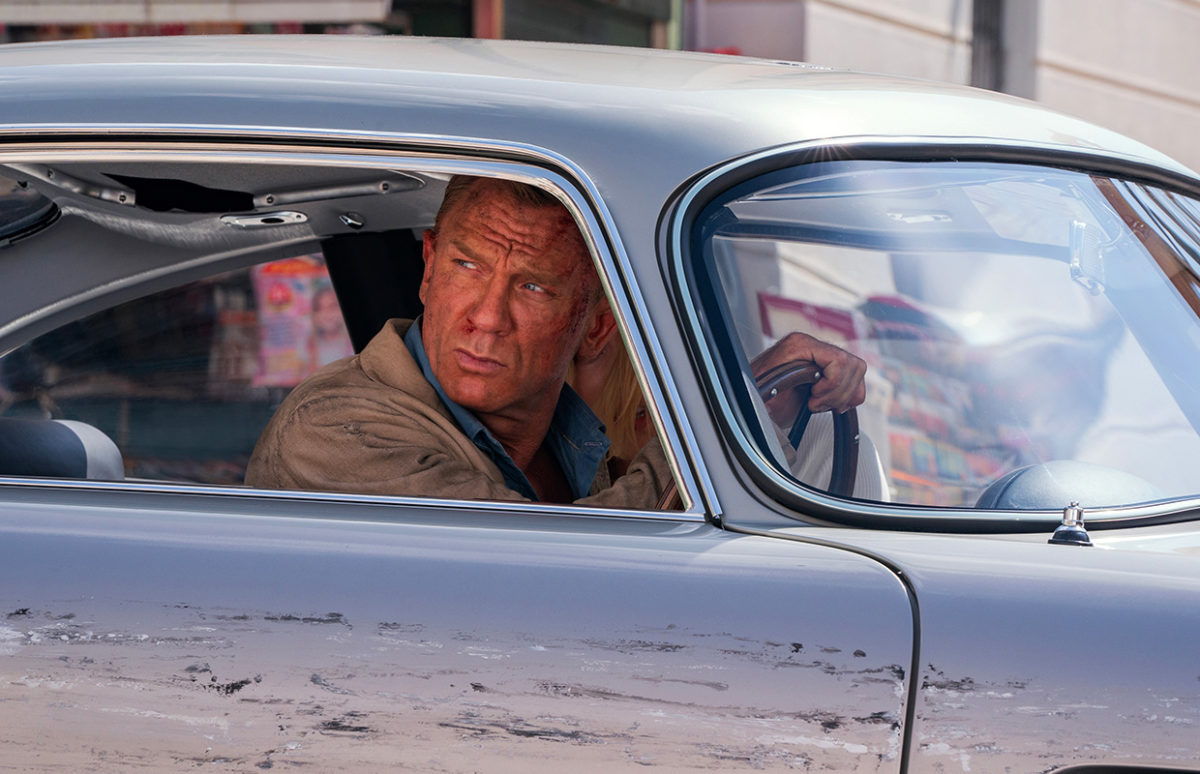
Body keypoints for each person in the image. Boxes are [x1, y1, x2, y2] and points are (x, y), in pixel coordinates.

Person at [245, 175, 866, 507]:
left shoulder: (565, 441)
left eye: (533, 287)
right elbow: (552, 579)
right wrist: (736, 409)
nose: (487, 319)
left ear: (593, 324)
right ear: (428, 268)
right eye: (467, 267)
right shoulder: (332, 427)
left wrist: (761, 407)